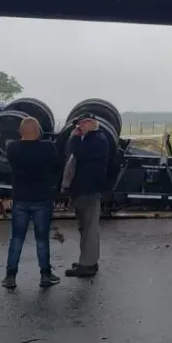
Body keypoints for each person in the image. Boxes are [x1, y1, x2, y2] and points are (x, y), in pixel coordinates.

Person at [2, 116, 62, 289]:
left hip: (20, 199)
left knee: (17, 239)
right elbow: (57, 165)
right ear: (39, 132)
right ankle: (45, 275)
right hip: (42, 199)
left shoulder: (13, 147)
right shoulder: (47, 147)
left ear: (21, 132)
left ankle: (10, 276)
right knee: (42, 240)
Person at [62, 113, 109, 278]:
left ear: (90, 123)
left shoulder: (97, 139)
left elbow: (79, 154)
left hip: (89, 189)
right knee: (85, 227)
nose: (78, 127)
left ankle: (88, 265)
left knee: (89, 228)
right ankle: (87, 260)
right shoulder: (92, 139)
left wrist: (74, 138)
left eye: (81, 124)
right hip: (85, 189)